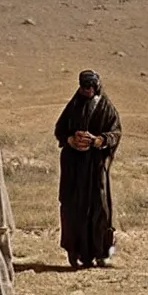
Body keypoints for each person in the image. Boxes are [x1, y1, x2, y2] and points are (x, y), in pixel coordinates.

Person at [54, 70, 122, 269]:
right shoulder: (74, 105)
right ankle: (75, 253)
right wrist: (71, 140)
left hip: (95, 167)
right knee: (72, 207)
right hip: (74, 168)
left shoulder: (105, 107)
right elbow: (60, 129)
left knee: (99, 208)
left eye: (90, 88)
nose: (87, 92)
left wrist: (98, 141)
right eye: (84, 88)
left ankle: (101, 252)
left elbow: (115, 132)